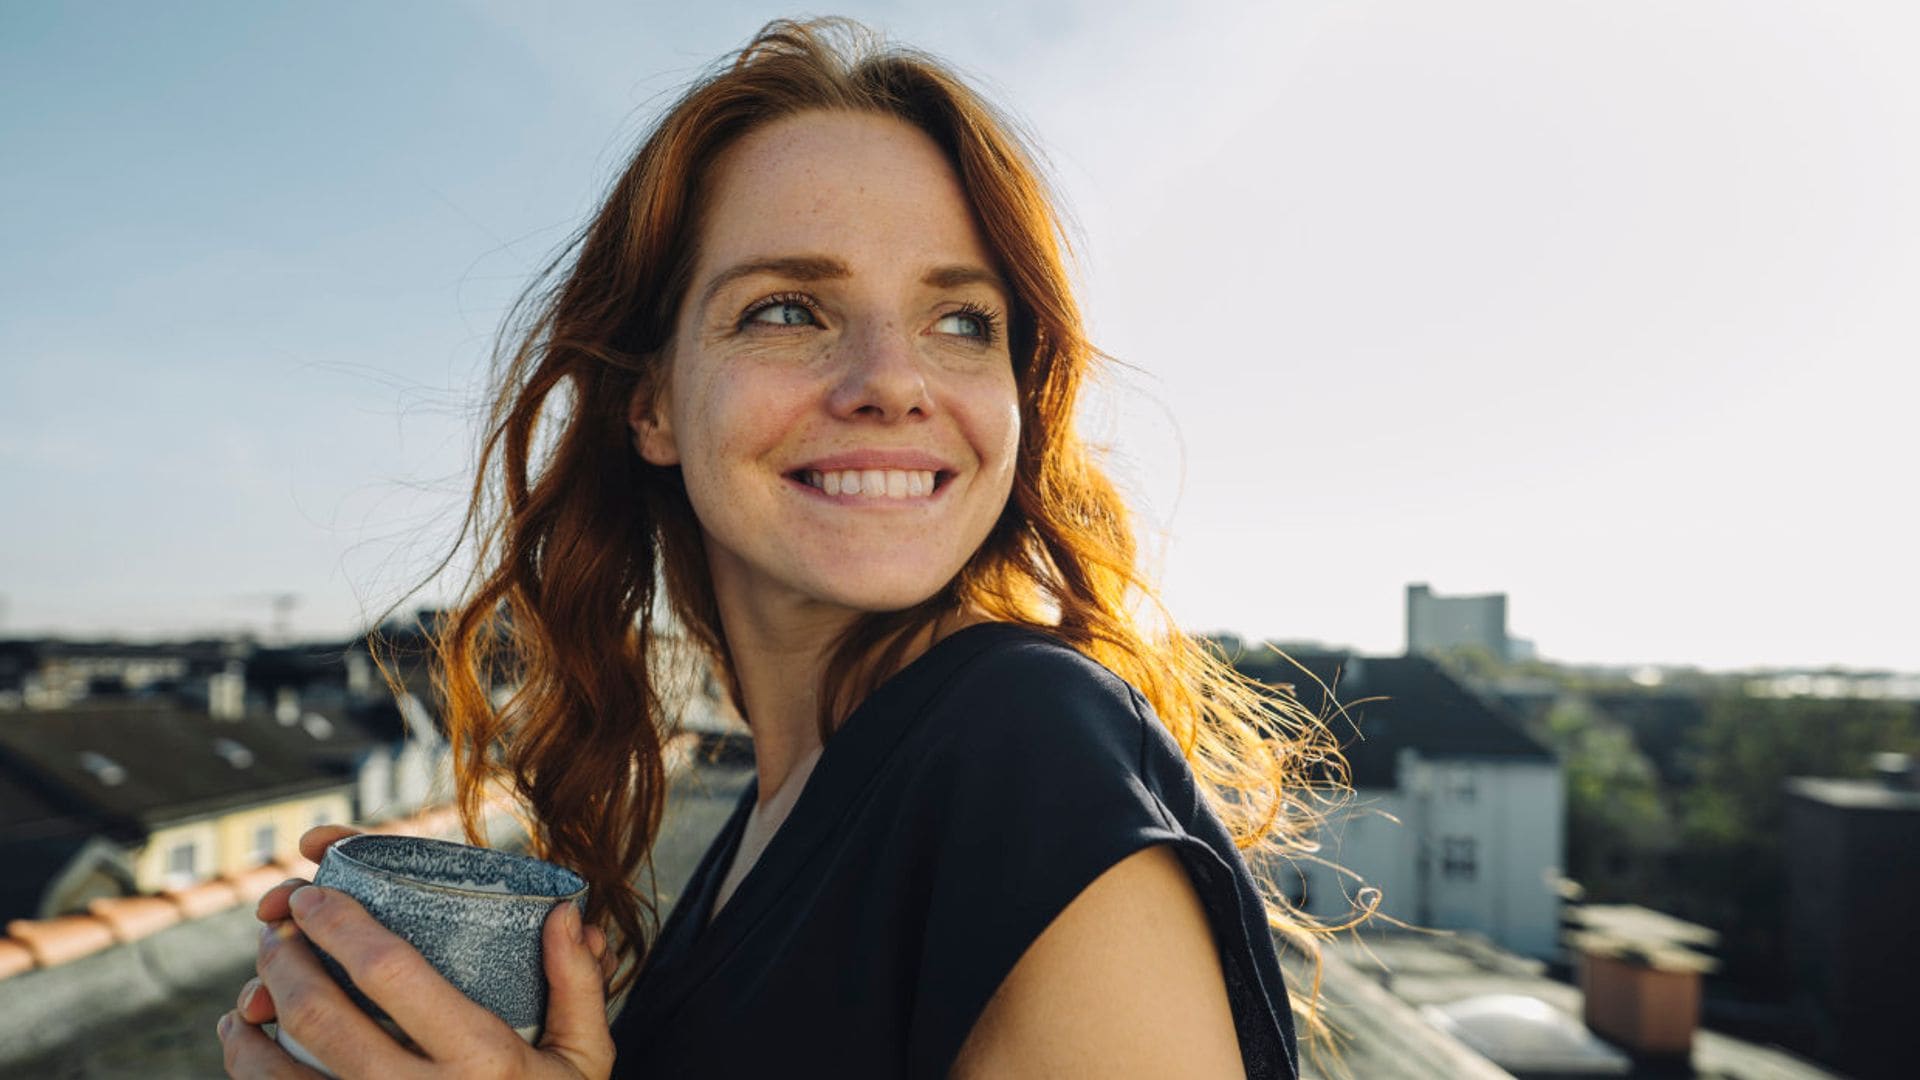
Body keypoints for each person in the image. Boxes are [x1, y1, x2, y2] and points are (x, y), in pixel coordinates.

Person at [217, 17, 1347, 1079]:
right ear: (650, 402)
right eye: (788, 310)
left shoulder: (1023, 754)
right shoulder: (780, 809)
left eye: (963, 321)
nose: (892, 383)